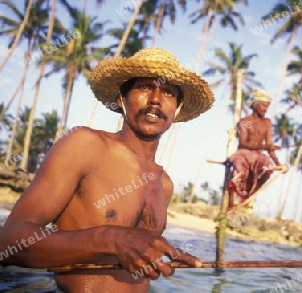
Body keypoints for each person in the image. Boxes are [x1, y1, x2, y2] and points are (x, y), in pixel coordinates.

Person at [0, 48, 215, 292]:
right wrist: (110, 239)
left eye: (167, 92)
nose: (156, 99)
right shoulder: (85, 145)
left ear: (176, 110)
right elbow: (8, 243)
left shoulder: (165, 184)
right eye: (145, 87)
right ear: (122, 99)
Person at [227, 90, 286, 209]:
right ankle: (231, 202)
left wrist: (278, 164)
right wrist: (265, 146)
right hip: (243, 153)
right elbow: (243, 143)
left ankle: (249, 197)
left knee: (267, 166)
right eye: (264, 105)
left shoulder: (267, 122)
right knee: (238, 167)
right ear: (255, 105)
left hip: (258, 155)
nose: (266, 109)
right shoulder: (245, 122)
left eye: (267, 106)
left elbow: (269, 146)